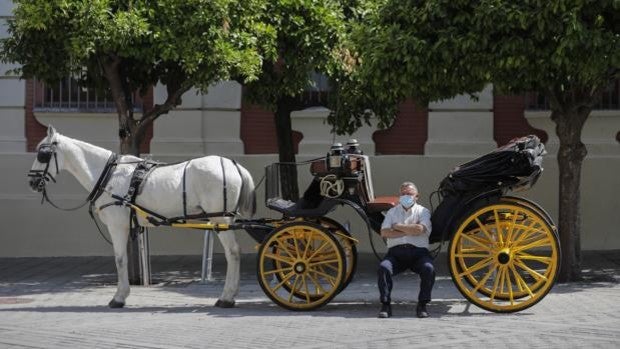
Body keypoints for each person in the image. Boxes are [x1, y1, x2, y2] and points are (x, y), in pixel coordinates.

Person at [377, 181, 435, 318]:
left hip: (419, 254)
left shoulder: (423, 211)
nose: (406, 196)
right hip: (396, 254)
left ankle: (422, 305)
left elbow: (420, 229)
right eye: (403, 194)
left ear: (417, 196)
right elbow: (384, 232)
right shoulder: (392, 211)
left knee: (429, 268)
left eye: (409, 194)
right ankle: (385, 305)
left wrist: (397, 226)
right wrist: (410, 230)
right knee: (383, 268)